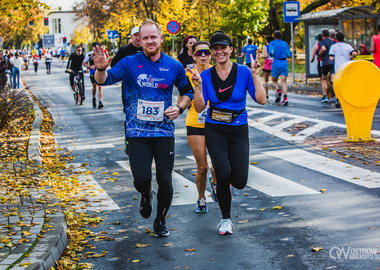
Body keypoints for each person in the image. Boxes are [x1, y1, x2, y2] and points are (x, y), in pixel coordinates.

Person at [92, 19, 193, 238]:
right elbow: (104, 80)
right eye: (144, 37)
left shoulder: (173, 66)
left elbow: (188, 92)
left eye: (152, 37)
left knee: (165, 179)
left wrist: (180, 107)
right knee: (141, 179)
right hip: (136, 132)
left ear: (161, 39)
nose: (148, 41)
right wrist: (101, 68)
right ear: (139, 39)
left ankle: (160, 220)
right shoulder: (129, 63)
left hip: (164, 131)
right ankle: (145, 194)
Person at [190, 31, 266, 235]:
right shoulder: (205, 76)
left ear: (231, 49)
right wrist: (197, 88)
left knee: (239, 181)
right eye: (215, 48)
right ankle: (225, 219)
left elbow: (261, 99)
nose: (219, 51)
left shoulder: (244, 72)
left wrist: (256, 75)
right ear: (213, 53)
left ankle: (227, 188)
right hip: (215, 129)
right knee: (222, 174)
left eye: (223, 47)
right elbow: (198, 108)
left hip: (238, 129)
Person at [183, 41, 217, 213]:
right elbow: (183, 97)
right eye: (199, 53)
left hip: (215, 122)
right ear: (193, 55)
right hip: (195, 122)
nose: (203, 55)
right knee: (202, 167)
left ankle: (215, 182)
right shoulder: (187, 75)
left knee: (217, 165)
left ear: (211, 54)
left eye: (206, 52)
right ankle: (201, 198)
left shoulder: (217, 73)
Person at [111, 26, 143, 113]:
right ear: (131, 37)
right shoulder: (124, 50)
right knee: (129, 111)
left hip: (145, 85)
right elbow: (114, 66)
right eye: (135, 35)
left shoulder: (147, 49)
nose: (138, 38)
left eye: (140, 35)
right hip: (129, 86)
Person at [329, 31, 357, 108]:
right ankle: (347, 98)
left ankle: (338, 98)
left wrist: (337, 57)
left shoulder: (333, 47)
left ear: (336, 38)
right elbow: (354, 53)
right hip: (347, 67)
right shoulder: (347, 46)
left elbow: (331, 58)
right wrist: (350, 57)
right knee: (346, 83)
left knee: (338, 84)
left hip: (338, 69)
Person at [269, 30, 291, 105]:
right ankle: (285, 97)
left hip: (276, 62)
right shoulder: (285, 43)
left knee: (274, 80)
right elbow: (289, 54)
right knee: (283, 82)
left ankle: (278, 90)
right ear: (281, 36)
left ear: (274, 36)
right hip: (284, 63)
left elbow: (271, 53)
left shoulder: (272, 43)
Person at [83, 42, 104, 109]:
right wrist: (89, 67)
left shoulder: (101, 53)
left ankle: (100, 101)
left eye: (97, 47)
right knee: (94, 86)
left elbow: (105, 61)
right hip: (93, 72)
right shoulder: (89, 54)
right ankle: (94, 98)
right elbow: (84, 62)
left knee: (100, 86)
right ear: (92, 47)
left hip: (100, 71)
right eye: (95, 47)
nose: (96, 49)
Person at [318, 29, 336, 103]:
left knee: (324, 79)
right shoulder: (333, 42)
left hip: (325, 62)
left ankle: (325, 95)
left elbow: (323, 48)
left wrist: (319, 54)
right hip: (332, 62)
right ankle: (334, 93)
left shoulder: (322, 42)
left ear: (322, 36)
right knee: (331, 78)